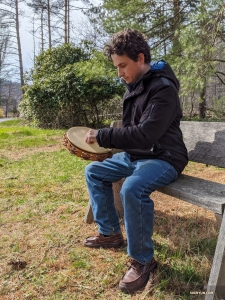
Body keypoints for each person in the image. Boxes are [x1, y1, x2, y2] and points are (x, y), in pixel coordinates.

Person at [83, 28, 188, 294]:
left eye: (123, 66)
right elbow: (134, 133)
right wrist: (109, 147)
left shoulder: (163, 88)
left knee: (132, 188)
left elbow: (146, 134)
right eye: (116, 67)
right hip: (138, 155)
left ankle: (142, 260)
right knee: (94, 171)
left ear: (140, 58)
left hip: (164, 157)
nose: (119, 73)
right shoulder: (135, 85)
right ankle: (110, 233)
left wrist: (104, 135)